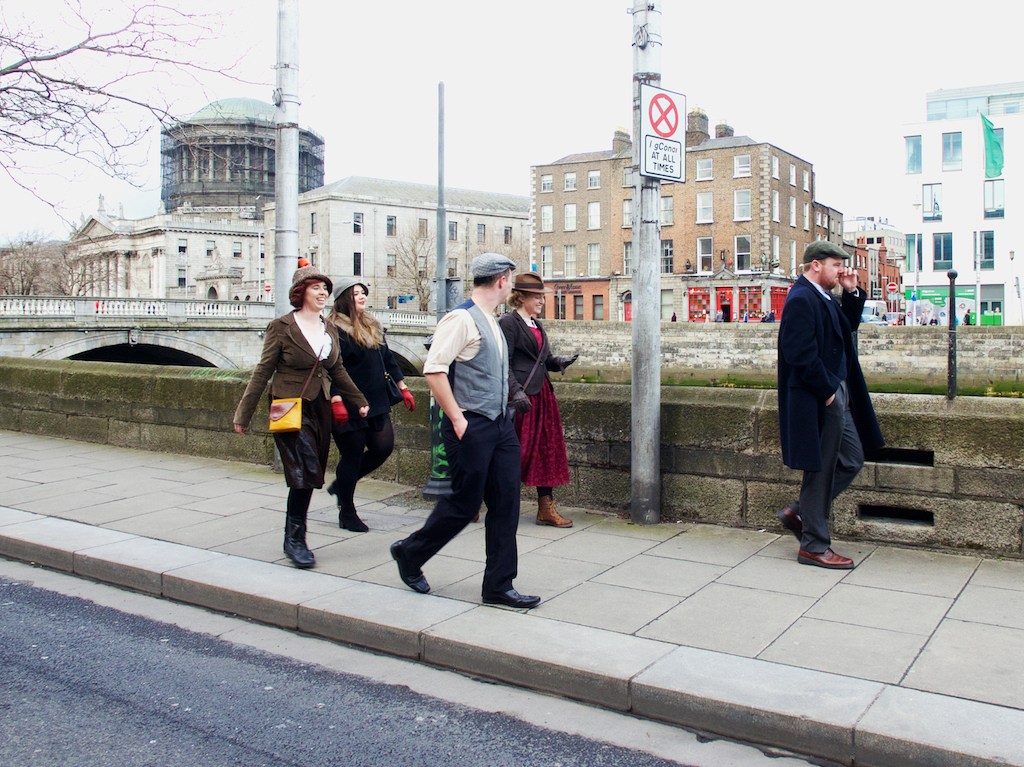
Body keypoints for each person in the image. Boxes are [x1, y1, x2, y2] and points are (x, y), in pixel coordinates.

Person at [390, 253, 540, 609]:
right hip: (471, 424)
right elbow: (433, 370)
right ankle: (410, 553)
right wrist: (457, 419)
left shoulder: (493, 320)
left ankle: (499, 585)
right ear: (502, 280)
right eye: (510, 279)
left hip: (500, 424)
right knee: (463, 503)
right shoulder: (461, 319)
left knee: (507, 504)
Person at [233, 265, 369, 569]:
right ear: (300, 292)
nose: (322, 294)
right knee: (304, 470)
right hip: (290, 406)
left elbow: (337, 369)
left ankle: (293, 535)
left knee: (313, 471)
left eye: (325, 289)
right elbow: (262, 371)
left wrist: (359, 400)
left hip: (320, 407)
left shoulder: (328, 327)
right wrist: (243, 413)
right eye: (315, 288)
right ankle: (295, 538)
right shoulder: (281, 327)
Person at [776, 241, 884, 569]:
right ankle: (814, 545)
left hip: (837, 392)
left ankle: (800, 512)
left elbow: (844, 328)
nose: (842, 271)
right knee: (820, 471)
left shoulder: (822, 296)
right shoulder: (800, 298)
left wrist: (851, 293)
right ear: (816, 265)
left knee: (851, 458)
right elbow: (798, 353)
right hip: (820, 397)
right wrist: (827, 393)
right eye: (837, 266)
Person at [324, 276, 415, 532]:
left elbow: (387, 359)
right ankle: (347, 511)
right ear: (344, 299)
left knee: (383, 448)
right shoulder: (332, 328)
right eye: (355, 293)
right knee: (351, 455)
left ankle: (342, 483)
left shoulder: (372, 324)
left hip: (376, 400)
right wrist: (336, 399)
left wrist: (403, 387)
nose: (362, 296)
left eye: (363, 292)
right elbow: (329, 367)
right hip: (348, 401)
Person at [499, 272, 578, 529]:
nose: (542, 301)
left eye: (542, 296)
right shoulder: (508, 324)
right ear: (520, 298)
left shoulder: (536, 324)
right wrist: (515, 392)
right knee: (513, 453)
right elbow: (504, 363)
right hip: (523, 399)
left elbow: (542, 360)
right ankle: (479, 498)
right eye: (537, 297)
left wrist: (558, 362)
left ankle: (546, 508)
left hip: (543, 395)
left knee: (546, 451)